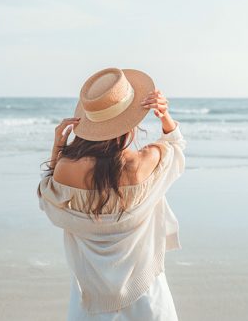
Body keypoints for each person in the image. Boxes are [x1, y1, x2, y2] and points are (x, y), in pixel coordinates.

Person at [37, 67, 187, 320]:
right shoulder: (144, 162)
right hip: (145, 290)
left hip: (90, 295)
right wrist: (165, 117)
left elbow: (48, 198)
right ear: (130, 123)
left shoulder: (66, 169)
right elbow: (176, 148)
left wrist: (58, 148)